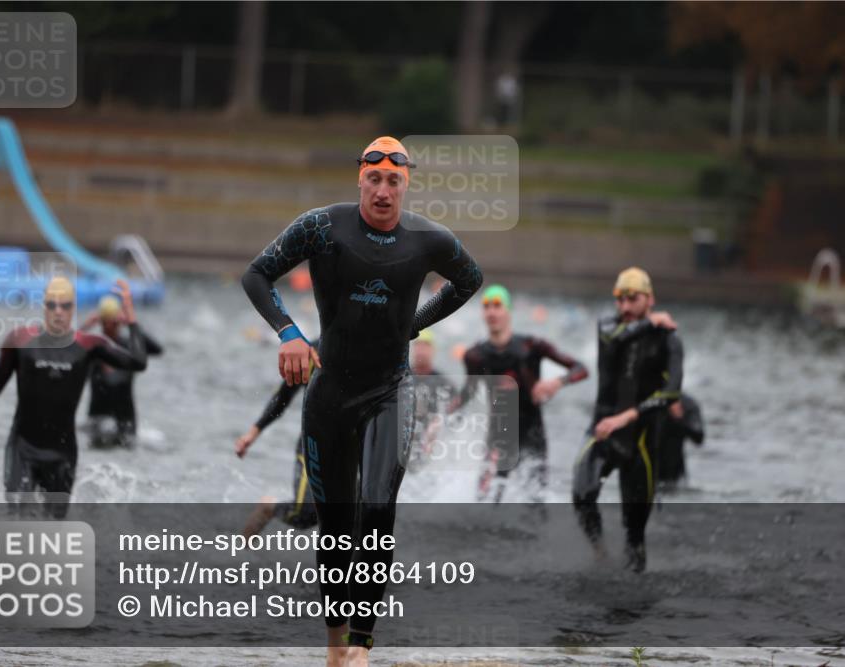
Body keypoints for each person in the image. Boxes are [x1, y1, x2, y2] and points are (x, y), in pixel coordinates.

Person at [241, 136, 482, 666]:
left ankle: (362, 646)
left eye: (393, 181)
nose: (382, 190)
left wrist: (413, 325)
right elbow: (256, 274)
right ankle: (334, 646)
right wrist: (288, 333)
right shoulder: (322, 226)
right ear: (360, 180)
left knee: (377, 510)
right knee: (335, 524)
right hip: (329, 393)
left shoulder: (428, 239)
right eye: (374, 179)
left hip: (389, 391)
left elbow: (470, 280)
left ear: (405, 185)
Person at [0, 278, 147, 517]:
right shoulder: (20, 341)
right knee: (18, 521)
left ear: (73, 309)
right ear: (44, 307)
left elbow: (139, 362)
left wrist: (131, 317)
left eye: (65, 306)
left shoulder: (89, 345)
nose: (58, 312)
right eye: (52, 305)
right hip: (23, 449)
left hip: (62, 455)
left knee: (52, 531)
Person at [572, 267, 681, 573]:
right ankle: (599, 554)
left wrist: (628, 416)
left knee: (635, 537)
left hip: (641, 441)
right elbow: (615, 337)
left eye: (632, 299)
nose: (625, 307)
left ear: (650, 299)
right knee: (582, 495)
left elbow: (672, 392)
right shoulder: (608, 327)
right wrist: (647, 323)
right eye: (620, 299)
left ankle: (634, 601)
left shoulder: (668, 339)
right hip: (603, 432)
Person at [453, 284, 589, 503]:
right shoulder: (475, 356)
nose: (492, 312)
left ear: (508, 311)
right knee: (484, 501)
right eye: (486, 306)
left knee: (536, 506)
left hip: (532, 434)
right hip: (498, 436)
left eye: (497, 305)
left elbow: (581, 369)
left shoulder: (531, 346)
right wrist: (442, 416)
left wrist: (557, 382)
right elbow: (467, 393)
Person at [235, 339, 321, 536]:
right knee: (305, 514)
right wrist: (253, 432)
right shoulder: (316, 351)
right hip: (315, 443)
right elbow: (283, 397)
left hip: (355, 445)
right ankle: (269, 508)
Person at [81, 294, 163, 447]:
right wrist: (86, 326)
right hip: (97, 420)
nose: (110, 325)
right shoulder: (94, 348)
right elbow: (68, 352)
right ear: (101, 322)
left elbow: (157, 349)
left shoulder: (128, 347)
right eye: (106, 322)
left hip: (125, 420)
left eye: (113, 322)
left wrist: (132, 323)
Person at [406, 329, 453, 471]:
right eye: (418, 345)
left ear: (433, 350)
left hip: (431, 443)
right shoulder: (402, 379)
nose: (421, 350)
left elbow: (453, 416)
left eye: (425, 345)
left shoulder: (444, 383)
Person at [657, 392, 705, 489]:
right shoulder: (643, 400)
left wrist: (679, 418)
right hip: (645, 470)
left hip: (675, 476)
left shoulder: (686, 403)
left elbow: (699, 438)